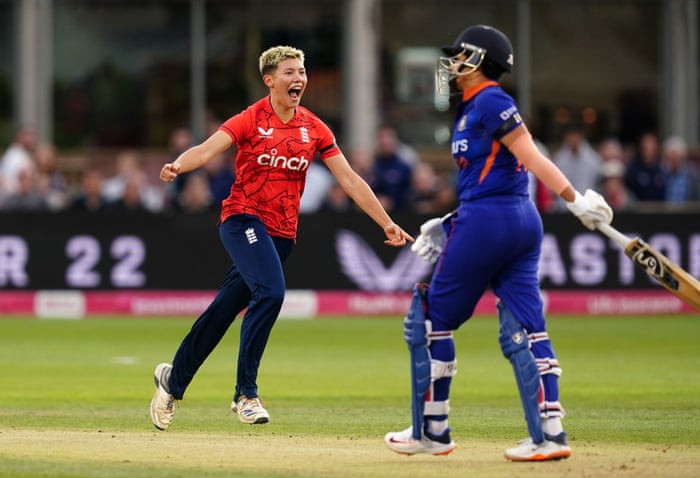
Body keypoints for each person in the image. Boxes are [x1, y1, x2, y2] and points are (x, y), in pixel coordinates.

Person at [150, 45, 413, 430]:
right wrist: (179, 165)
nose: (299, 79)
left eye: (302, 72)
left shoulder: (314, 127)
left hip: (282, 234)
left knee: (223, 311)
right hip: (242, 221)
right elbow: (208, 149)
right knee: (271, 293)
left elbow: (351, 180)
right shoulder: (250, 119)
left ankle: (172, 381)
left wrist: (385, 222)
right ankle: (246, 395)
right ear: (269, 80)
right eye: (290, 72)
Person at [383, 25, 613, 461]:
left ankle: (432, 431)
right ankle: (550, 435)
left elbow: (530, 156)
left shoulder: (489, 100)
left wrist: (575, 199)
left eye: (458, 57)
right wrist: (452, 219)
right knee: (527, 325)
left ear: (476, 60)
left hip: (490, 220)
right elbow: (497, 175)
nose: (450, 65)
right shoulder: (472, 108)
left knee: (428, 320)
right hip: (515, 221)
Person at [624, 131, 666, 202]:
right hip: (638, 211)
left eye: (652, 146)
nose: (649, 149)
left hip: (660, 210)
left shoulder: (662, 168)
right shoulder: (633, 169)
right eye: (646, 146)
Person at [661, 135, 700, 204]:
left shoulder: (692, 174)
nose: (674, 159)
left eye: (676, 156)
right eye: (671, 156)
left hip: (688, 213)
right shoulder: (661, 173)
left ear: (682, 156)